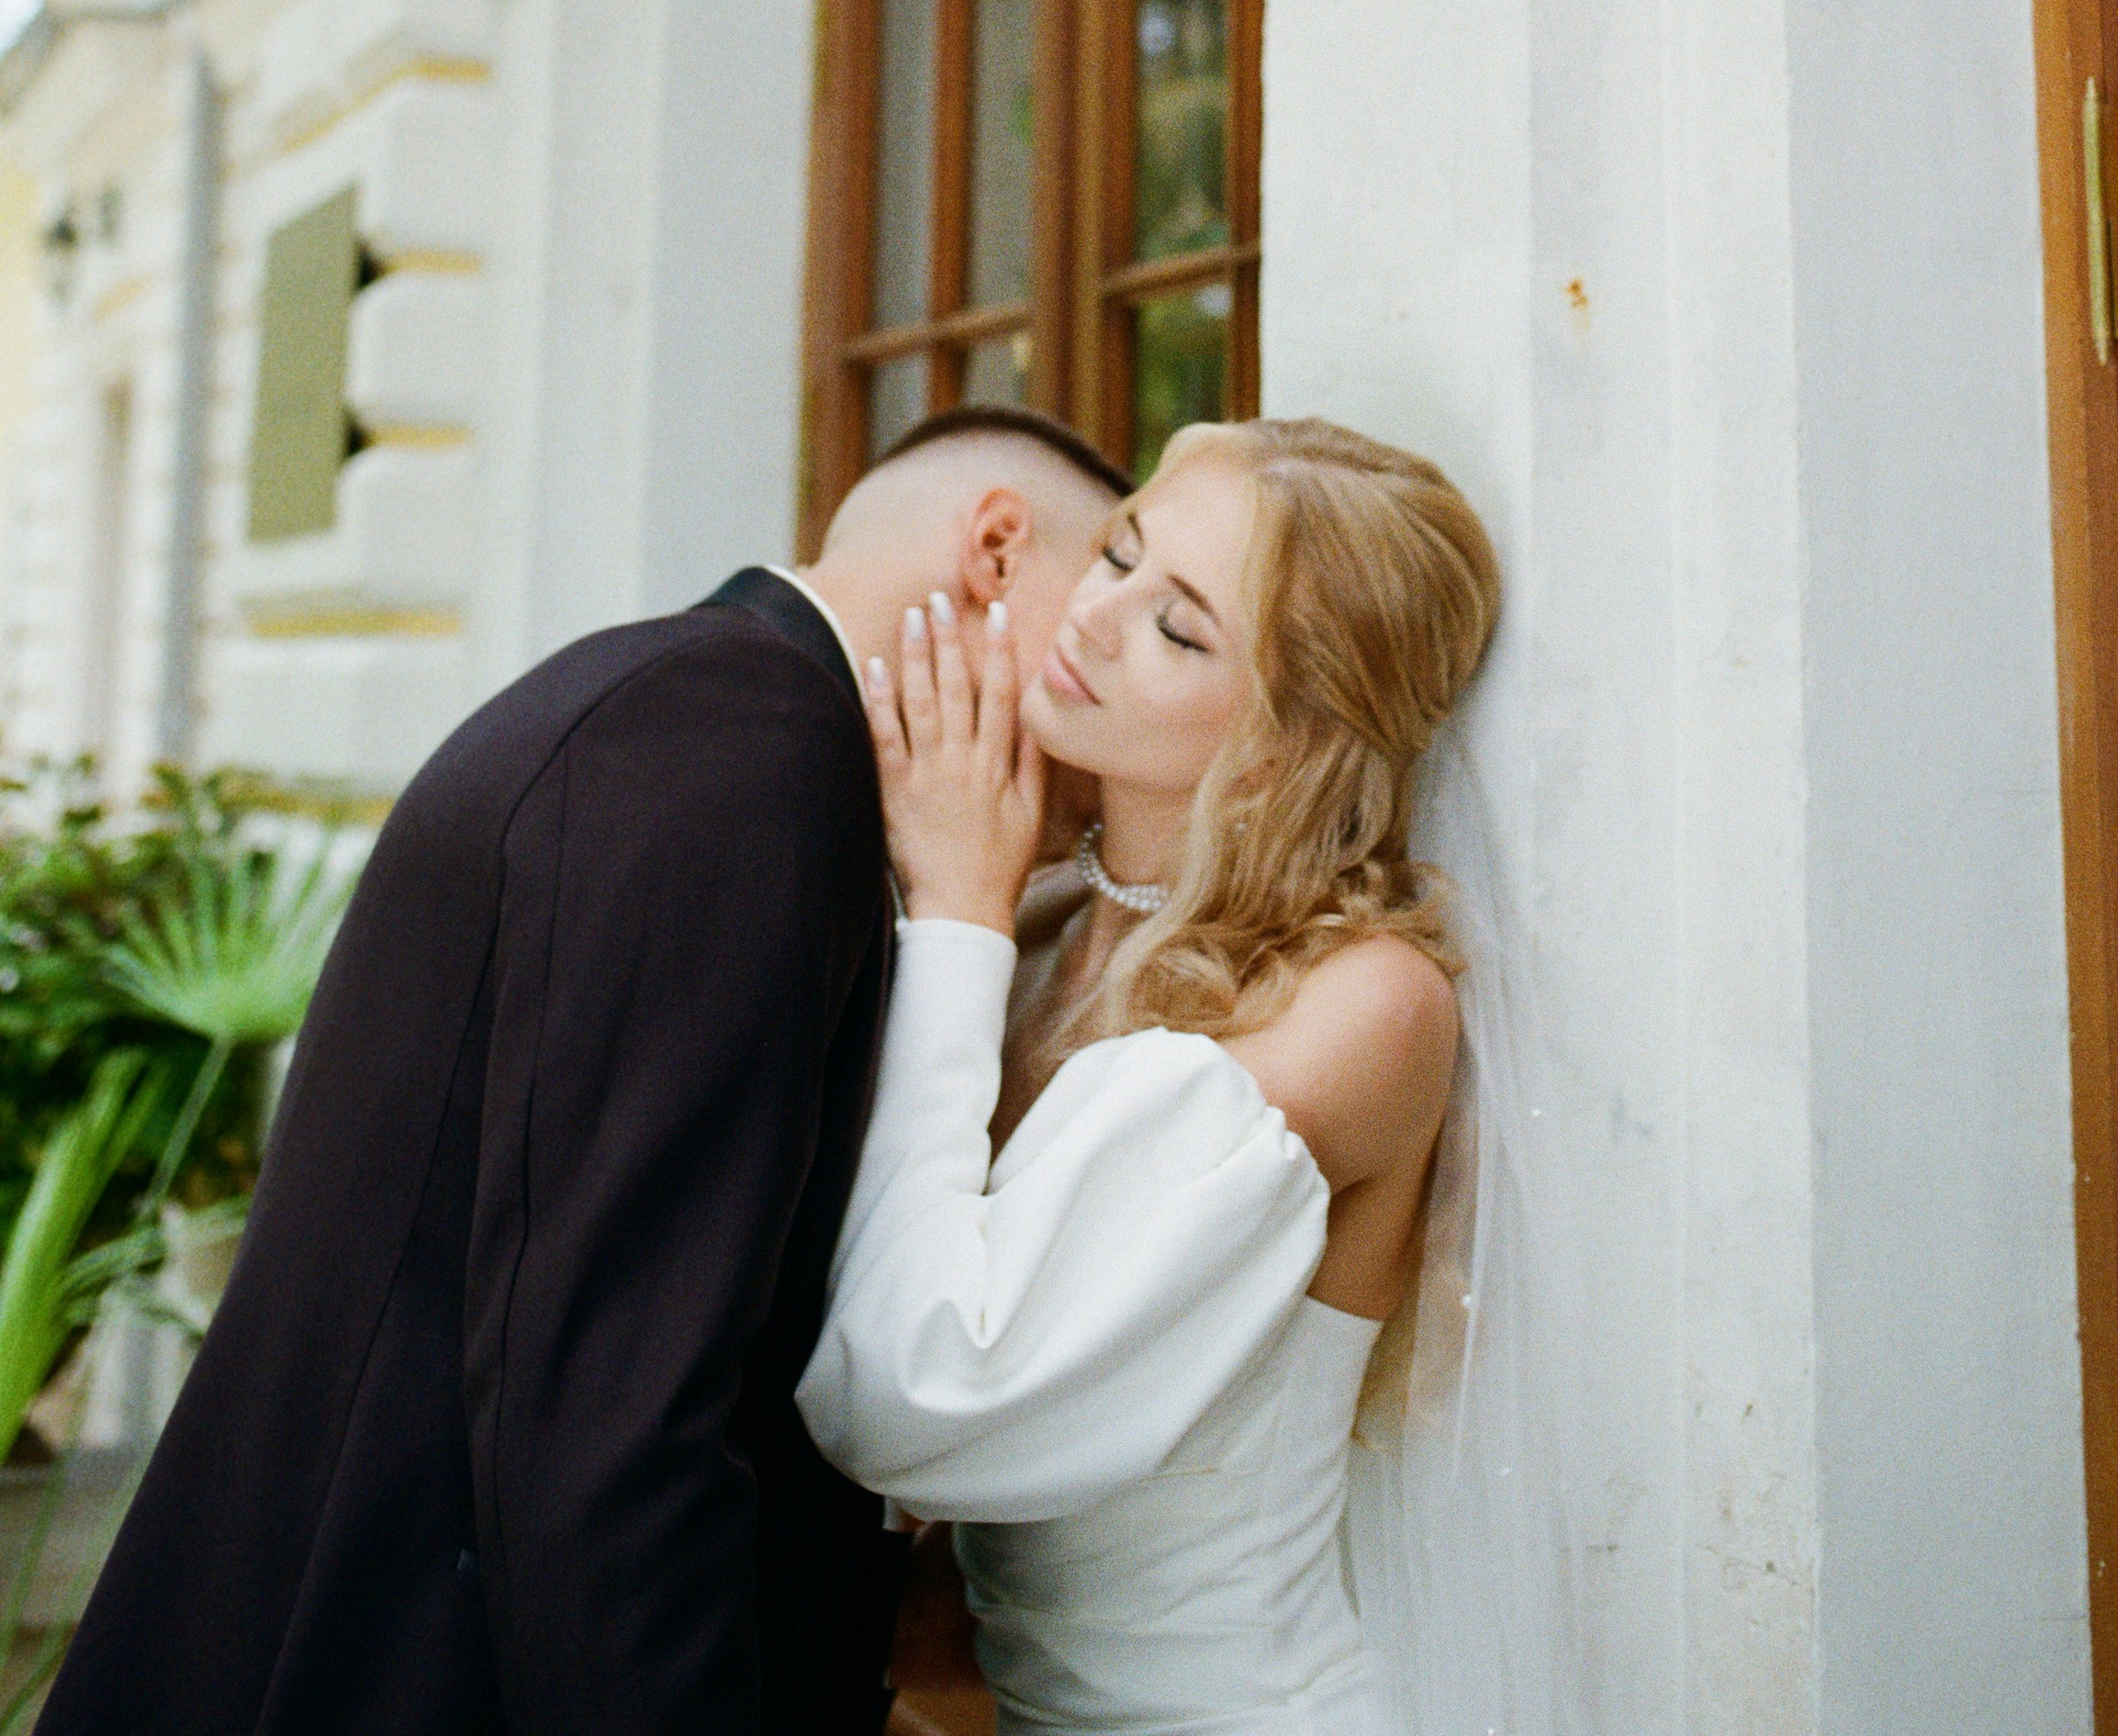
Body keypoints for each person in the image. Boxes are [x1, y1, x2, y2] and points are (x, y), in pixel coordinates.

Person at [40, 403, 1127, 1736]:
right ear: (998, 550)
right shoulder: (744, 747)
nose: (1102, 716)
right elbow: (610, 1418)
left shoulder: (686, 710)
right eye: (1108, 596)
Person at [797, 414, 1502, 1736]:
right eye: (1120, 553)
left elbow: (907, 1393)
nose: (1097, 615)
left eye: (1180, 629)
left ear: (1289, 739)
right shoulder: (1037, 928)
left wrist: (955, 912)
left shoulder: (1359, 1004)